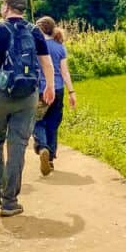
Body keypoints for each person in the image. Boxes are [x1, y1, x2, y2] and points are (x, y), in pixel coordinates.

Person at [0, 0, 56, 217]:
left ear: (7, 7)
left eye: (2, 4)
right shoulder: (34, 30)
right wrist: (48, 87)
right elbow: (46, 63)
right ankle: (10, 202)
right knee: (17, 145)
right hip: (27, 96)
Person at [32, 16, 76, 175]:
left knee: (37, 120)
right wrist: (72, 92)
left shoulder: (36, 45)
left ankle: (42, 147)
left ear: (39, 29)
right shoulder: (60, 46)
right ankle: (50, 158)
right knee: (53, 123)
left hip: (41, 90)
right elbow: (65, 72)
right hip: (58, 90)